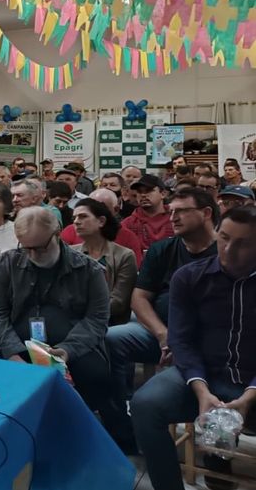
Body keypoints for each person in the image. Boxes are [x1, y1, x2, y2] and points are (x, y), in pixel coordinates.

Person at [131, 205, 256, 490]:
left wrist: (250, 395)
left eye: (243, 244)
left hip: (251, 379)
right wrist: (201, 390)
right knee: (145, 405)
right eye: (224, 238)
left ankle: (219, 463)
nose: (228, 250)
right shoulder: (189, 276)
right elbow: (181, 340)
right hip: (202, 373)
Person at [105, 188, 220, 449]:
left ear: (206, 213)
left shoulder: (224, 251)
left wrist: (181, 341)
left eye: (181, 211)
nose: (173, 218)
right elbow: (139, 298)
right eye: (171, 211)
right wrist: (163, 334)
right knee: (109, 339)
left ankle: (217, 443)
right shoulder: (163, 249)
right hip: (159, 334)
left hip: (206, 341)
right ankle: (122, 426)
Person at [0, 206, 111, 414]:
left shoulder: (89, 270)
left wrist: (68, 350)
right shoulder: (8, 262)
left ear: (57, 233)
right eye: (26, 248)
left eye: (40, 248)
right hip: (15, 342)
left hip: (71, 346)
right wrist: (12, 352)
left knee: (94, 375)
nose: (33, 255)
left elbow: (97, 319)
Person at [70, 199, 137, 325]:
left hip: (109, 322)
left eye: (83, 216)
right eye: (74, 218)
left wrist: (84, 313)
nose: (76, 222)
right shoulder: (69, 253)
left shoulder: (124, 255)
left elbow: (118, 302)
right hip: (72, 320)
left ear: (101, 221)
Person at [60, 188, 144, 266]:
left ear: (116, 210)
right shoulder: (69, 232)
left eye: (101, 208)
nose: (77, 221)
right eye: (74, 218)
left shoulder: (127, 238)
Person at [122, 173, 174, 250]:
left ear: (163, 194)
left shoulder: (175, 220)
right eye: (139, 191)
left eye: (149, 190)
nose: (143, 195)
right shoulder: (127, 224)